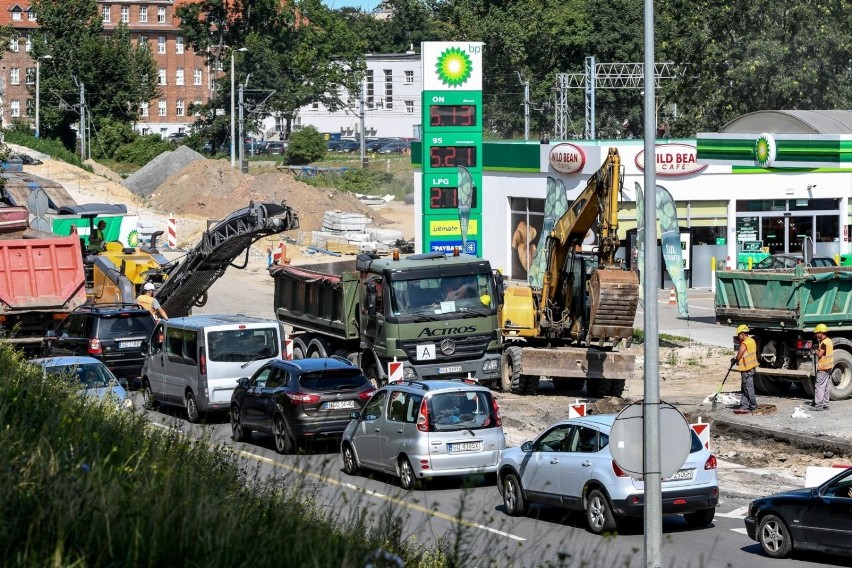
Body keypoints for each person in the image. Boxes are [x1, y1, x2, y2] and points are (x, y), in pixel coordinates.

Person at [731, 324, 758, 412]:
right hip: (751, 367)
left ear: (743, 334)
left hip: (747, 369)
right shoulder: (752, 340)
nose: (738, 336)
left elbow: (740, 353)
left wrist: (735, 360)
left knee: (748, 388)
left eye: (739, 334)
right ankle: (744, 405)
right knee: (745, 388)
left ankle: (753, 406)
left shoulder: (744, 343)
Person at [810, 323, 833, 411]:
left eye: (817, 333)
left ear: (822, 333)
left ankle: (818, 405)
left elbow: (820, 354)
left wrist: (815, 350)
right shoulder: (829, 341)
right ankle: (825, 404)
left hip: (823, 368)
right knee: (826, 386)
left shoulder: (824, 343)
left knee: (819, 386)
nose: (816, 334)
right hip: (829, 366)